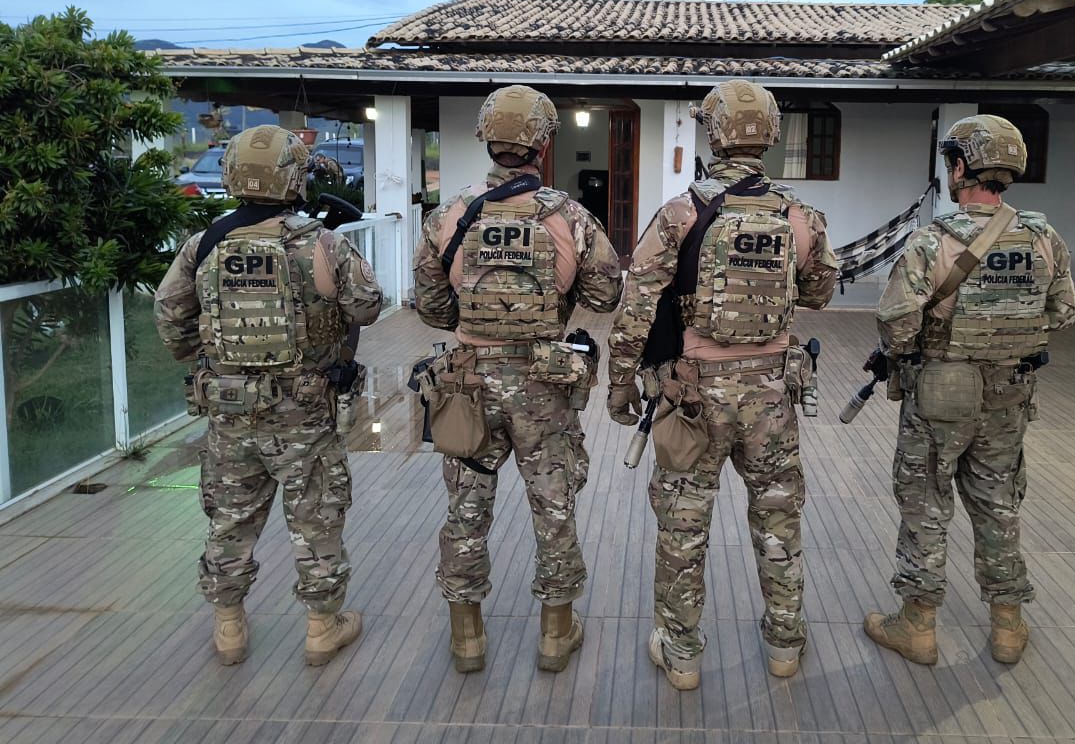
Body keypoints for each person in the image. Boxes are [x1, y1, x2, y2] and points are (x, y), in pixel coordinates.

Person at [607, 79, 838, 690]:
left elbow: (637, 305)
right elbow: (819, 292)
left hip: (693, 395)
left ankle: (681, 654)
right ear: (770, 135)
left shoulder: (681, 213)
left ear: (714, 135)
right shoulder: (801, 217)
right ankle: (785, 645)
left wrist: (620, 382)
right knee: (778, 519)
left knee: (684, 526)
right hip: (772, 393)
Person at [154, 124, 383, 667]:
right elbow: (367, 307)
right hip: (305, 412)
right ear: (294, 176)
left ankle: (229, 627)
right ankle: (322, 628)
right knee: (317, 520)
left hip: (229, 412)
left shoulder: (204, 245)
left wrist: (212, 358)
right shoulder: (323, 243)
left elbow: (170, 319)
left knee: (229, 520)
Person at [414, 85, 622, 674]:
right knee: (553, 506)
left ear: (487, 137)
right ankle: (556, 634)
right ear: (544, 142)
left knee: (466, 509)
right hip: (544, 386)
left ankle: (467, 638)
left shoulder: (448, 216)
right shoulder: (570, 218)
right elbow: (606, 295)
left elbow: (431, 306)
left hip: (468, 386)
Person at [863, 114, 1075, 666]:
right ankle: (1008, 625)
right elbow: (1062, 313)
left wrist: (919, 350)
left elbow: (897, 324)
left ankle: (918, 625)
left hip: (939, 395)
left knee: (926, 506)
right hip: (1009, 395)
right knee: (998, 504)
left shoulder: (932, 241)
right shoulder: (1043, 238)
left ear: (959, 167)